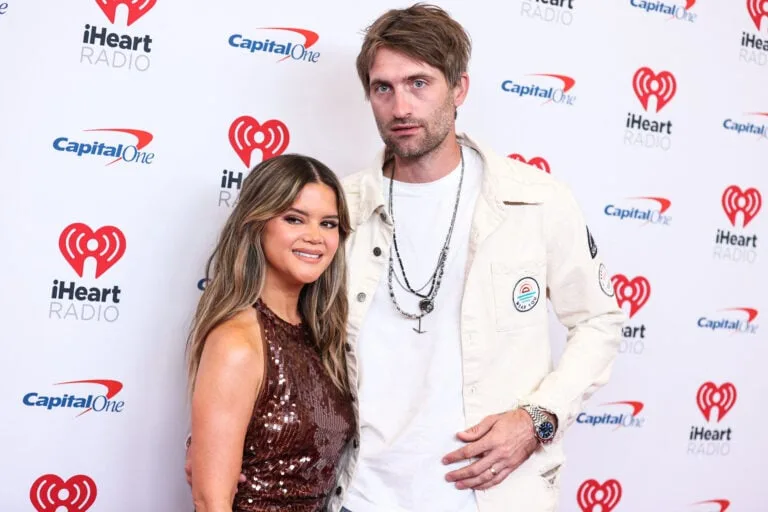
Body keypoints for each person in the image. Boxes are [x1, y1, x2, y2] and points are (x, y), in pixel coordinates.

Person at [187, 4, 624, 512]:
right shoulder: (336, 211)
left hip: (496, 498)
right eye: (383, 88)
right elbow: (278, 334)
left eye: (420, 83)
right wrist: (217, 438)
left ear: (459, 89)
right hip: (363, 496)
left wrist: (538, 418)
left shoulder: (536, 201)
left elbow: (598, 320)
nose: (400, 108)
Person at [185, 154, 356, 512]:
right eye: (294, 219)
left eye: (328, 224)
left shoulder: (320, 335)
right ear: (257, 223)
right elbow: (210, 501)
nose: (315, 238)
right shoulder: (238, 342)